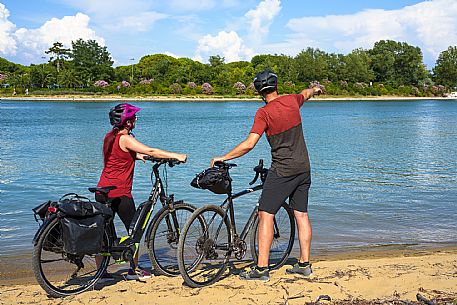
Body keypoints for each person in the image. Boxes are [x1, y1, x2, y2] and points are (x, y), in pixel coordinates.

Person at [211, 70, 322, 281]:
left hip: (282, 170)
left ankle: (261, 269)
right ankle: (304, 264)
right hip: (303, 168)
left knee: (266, 214)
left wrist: (223, 157)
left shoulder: (264, 113)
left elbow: (249, 144)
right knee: (301, 214)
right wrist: (316, 89)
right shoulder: (292, 101)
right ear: (276, 85)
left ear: (259, 91)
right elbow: (306, 93)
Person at [97, 103, 187, 281]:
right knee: (135, 232)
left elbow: (125, 155)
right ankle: (133, 270)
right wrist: (176, 155)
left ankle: (101, 273)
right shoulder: (126, 138)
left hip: (102, 190)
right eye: (133, 117)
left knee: (103, 233)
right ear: (127, 122)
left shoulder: (111, 137)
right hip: (119, 193)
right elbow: (150, 149)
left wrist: (139, 157)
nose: (136, 119)